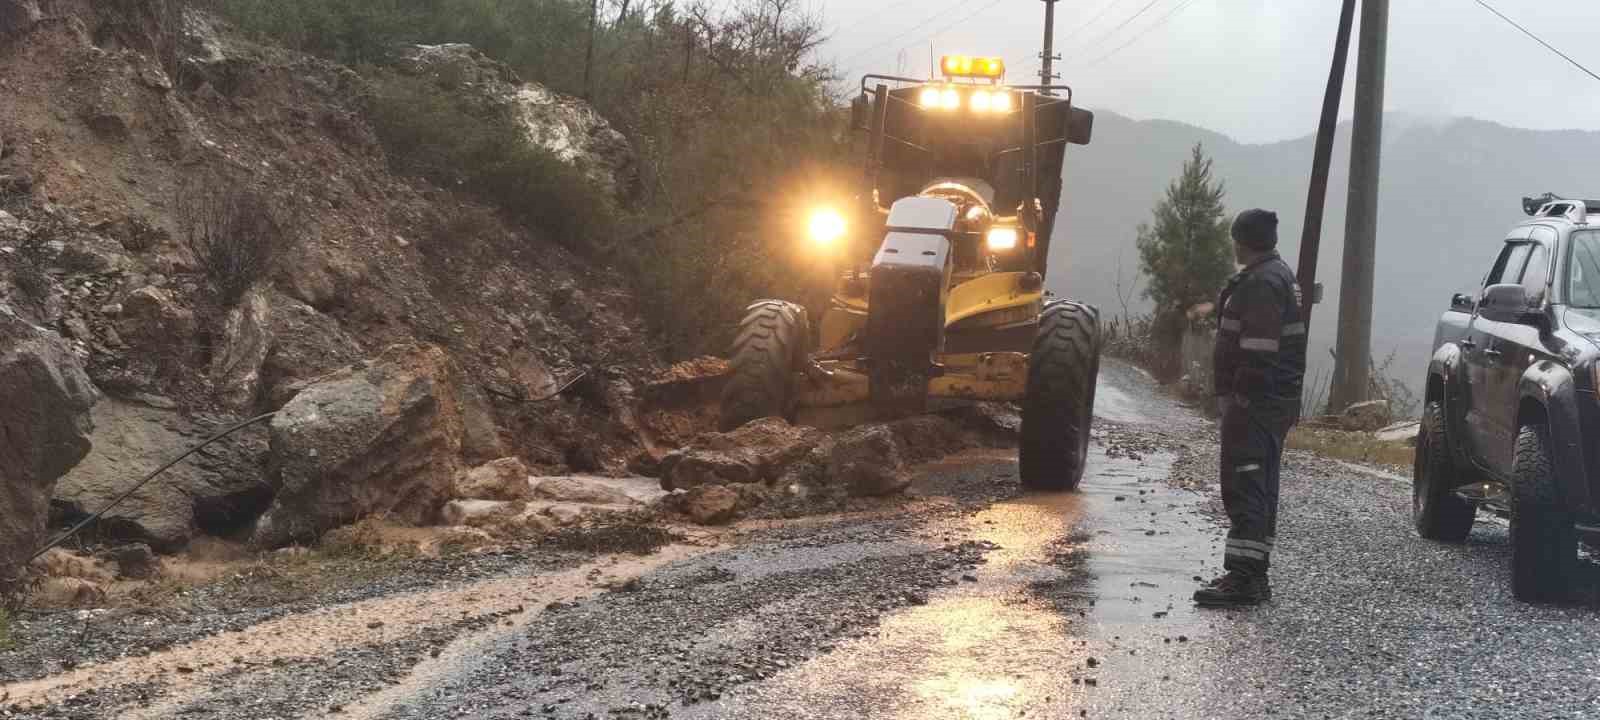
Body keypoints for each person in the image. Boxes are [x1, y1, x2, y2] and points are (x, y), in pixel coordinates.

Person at [1193, 209, 1306, 608]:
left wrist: (1239, 396)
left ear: (1243, 241)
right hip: (1271, 402)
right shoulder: (1277, 276)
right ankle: (1252, 575)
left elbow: (1259, 350)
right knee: (1259, 483)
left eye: (1236, 238)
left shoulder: (1261, 283)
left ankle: (1244, 580)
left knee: (1246, 483)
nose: (1234, 245)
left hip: (1257, 404)